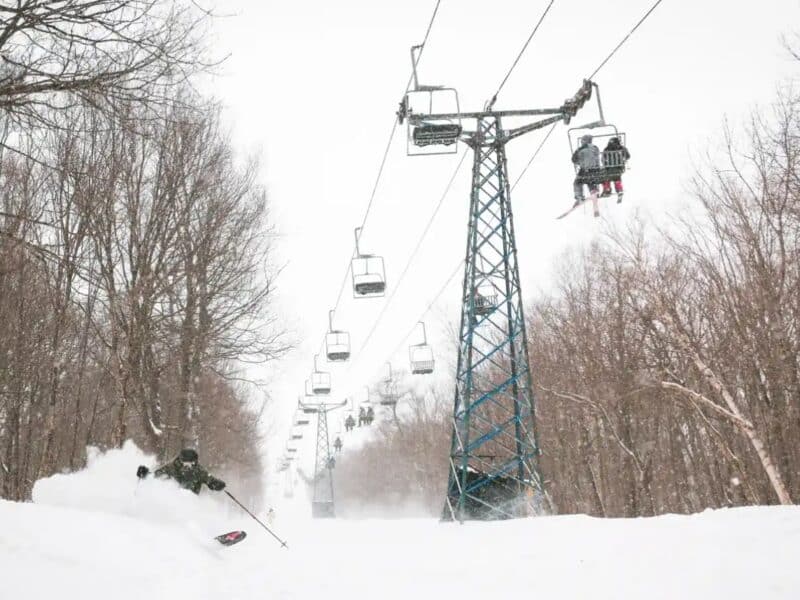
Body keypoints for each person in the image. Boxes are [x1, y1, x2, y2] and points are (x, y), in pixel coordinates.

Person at [136, 448, 226, 495]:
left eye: (190, 463)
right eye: (185, 463)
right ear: (180, 460)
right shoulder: (172, 467)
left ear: (195, 462)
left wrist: (216, 484)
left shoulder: (199, 471)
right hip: (173, 501)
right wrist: (145, 474)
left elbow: (210, 480)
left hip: (191, 502)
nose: (187, 466)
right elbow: (155, 476)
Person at [571, 134, 602, 209]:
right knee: (590, 181)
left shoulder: (580, 149)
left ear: (584, 141)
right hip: (596, 170)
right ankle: (593, 191)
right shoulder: (595, 148)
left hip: (585, 170)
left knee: (577, 182)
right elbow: (596, 158)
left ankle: (579, 197)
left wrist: (579, 162)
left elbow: (574, 160)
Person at [600, 137, 630, 202]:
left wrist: (606, 164)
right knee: (617, 177)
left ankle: (607, 189)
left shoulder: (606, 149)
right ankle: (619, 189)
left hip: (608, 170)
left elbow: (602, 159)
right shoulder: (622, 148)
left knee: (604, 177)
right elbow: (628, 156)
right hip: (619, 168)